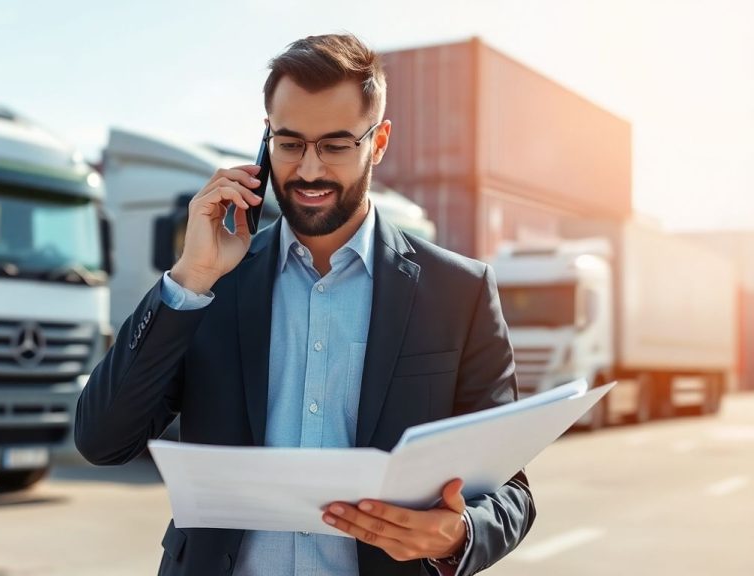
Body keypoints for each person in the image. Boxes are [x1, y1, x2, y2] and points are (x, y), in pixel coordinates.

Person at [75, 33, 535, 576]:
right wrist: (189, 279)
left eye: (336, 146)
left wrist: (459, 533)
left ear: (379, 141)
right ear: (264, 138)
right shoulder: (212, 286)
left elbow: (512, 491)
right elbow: (103, 440)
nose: (310, 170)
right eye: (290, 143)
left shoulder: (460, 292)